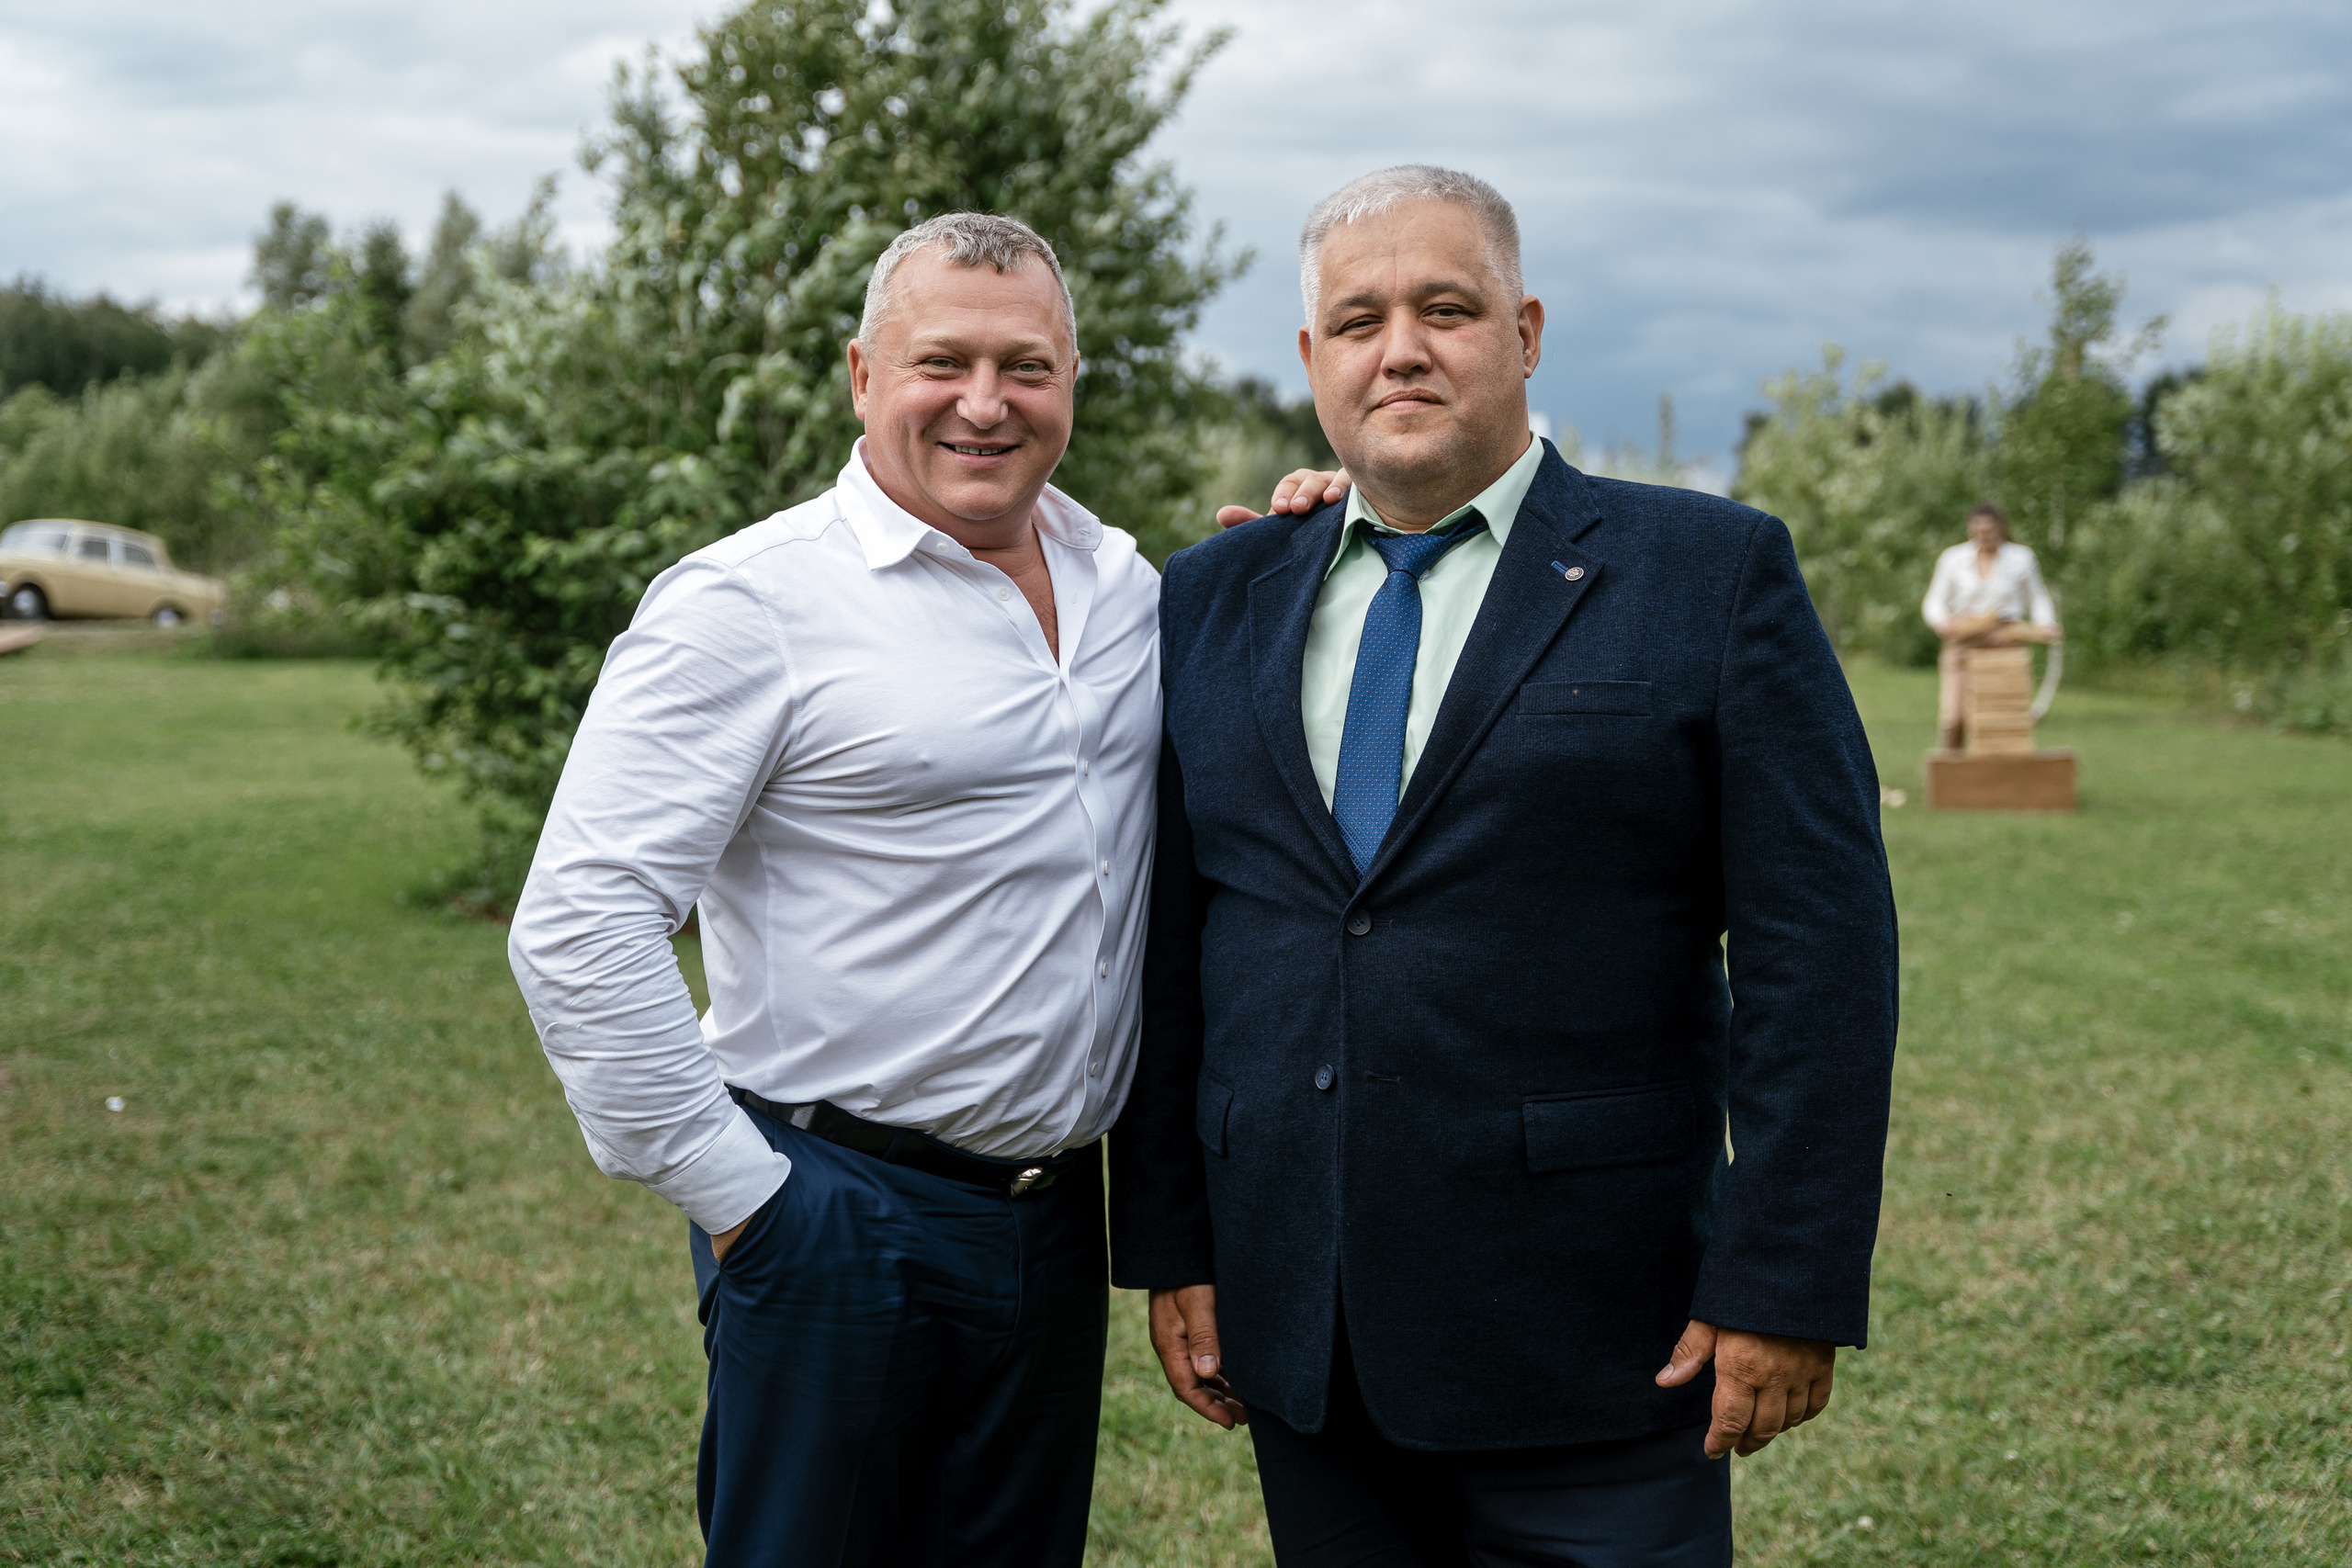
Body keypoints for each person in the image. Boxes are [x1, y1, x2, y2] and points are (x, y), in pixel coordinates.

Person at [1108, 165, 1899, 1565]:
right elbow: (1173, 943)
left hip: (1600, 1335)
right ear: (1312, 360)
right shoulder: (1214, 596)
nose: (1400, 346)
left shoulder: (1708, 574)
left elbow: (1819, 952)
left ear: (1526, 332)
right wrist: (1174, 1239)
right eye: (1358, 319)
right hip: (1310, 1329)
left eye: (1446, 307)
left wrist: (1785, 1278)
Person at [508, 212, 1162, 1568]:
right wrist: (753, 1201)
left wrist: (1325, 519)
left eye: (1027, 367)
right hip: (835, 1206)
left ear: (1073, 382)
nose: (986, 403)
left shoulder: (1125, 586)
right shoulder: (748, 603)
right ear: (863, 376)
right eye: (944, 361)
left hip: (1053, 1226)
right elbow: (580, 921)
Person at [1922, 502, 2061, 750]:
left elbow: (2037, 597)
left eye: (1990, 531)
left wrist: (2046, 624)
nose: (1985, 536)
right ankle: (1950, 772)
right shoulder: (1953, 559)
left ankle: (2001, 777)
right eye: (1979, 531)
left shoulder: (2021, 558)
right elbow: (1934, 601)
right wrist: (1942, 621)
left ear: (2002, 529)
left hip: (2006, 640)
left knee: (2002, 717)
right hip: (1964, 640)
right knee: (1954, 719)